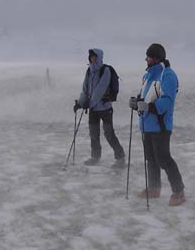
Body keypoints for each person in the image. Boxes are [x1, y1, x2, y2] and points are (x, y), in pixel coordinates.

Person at [129, 43, 185, 206]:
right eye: (147, 56)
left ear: (157, 58)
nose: (146, 59)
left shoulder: (167, 75)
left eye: (149, 56)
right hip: (146, 125)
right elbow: (144, 97)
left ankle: (179, 191)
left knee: (164, 159)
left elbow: (167, 100)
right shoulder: (147, 76)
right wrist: (136, 102)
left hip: (160, 126)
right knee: (151, 159)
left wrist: (149, 107)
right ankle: (154, 188)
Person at [74, 48, 125, 167]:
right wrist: (80, 103)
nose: (93, 58)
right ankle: (95, 157)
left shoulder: (105, 70)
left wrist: (88, 103)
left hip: (105, 108)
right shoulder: (89, 70)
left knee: (108, 133)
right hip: (93, 109)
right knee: (94, 134)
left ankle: (120, 156)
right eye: (91, 56)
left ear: (100, 57)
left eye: (95, 56)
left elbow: (99, 90)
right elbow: (85, 89)